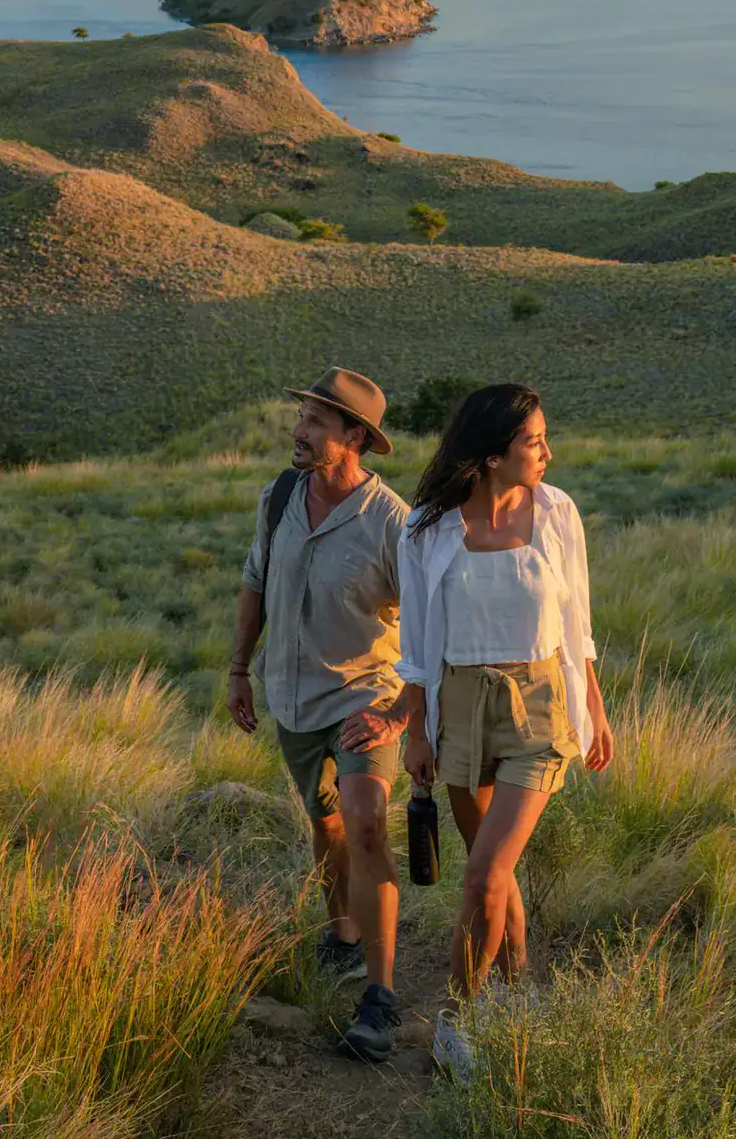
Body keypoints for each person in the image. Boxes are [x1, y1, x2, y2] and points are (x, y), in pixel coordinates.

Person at [397, 384, 614, 1080]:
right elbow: (418, 640)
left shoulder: (557, 513)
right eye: (533, 442)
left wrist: (596, 708)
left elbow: (577, 620)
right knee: (496, 874)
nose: (547, 453)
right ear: (492, 457)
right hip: (457, 701)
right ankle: (519, 996)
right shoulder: (427, 529)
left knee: (484, 874)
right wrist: (416, 730)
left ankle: (455, 1020)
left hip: (539, 704)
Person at [228, 367, 411, 1062]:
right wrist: (240, 669)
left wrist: (399, 713)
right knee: (326, 822)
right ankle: (342, 934)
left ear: (356, 437)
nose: (299, 432)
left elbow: (425, 628)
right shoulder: (278, 497)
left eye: (317, 423)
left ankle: (381, 997)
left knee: (366, 822)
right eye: (301, 417)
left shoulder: (392, 522)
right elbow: (254, 584)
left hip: (367, 697)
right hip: (292, 694)